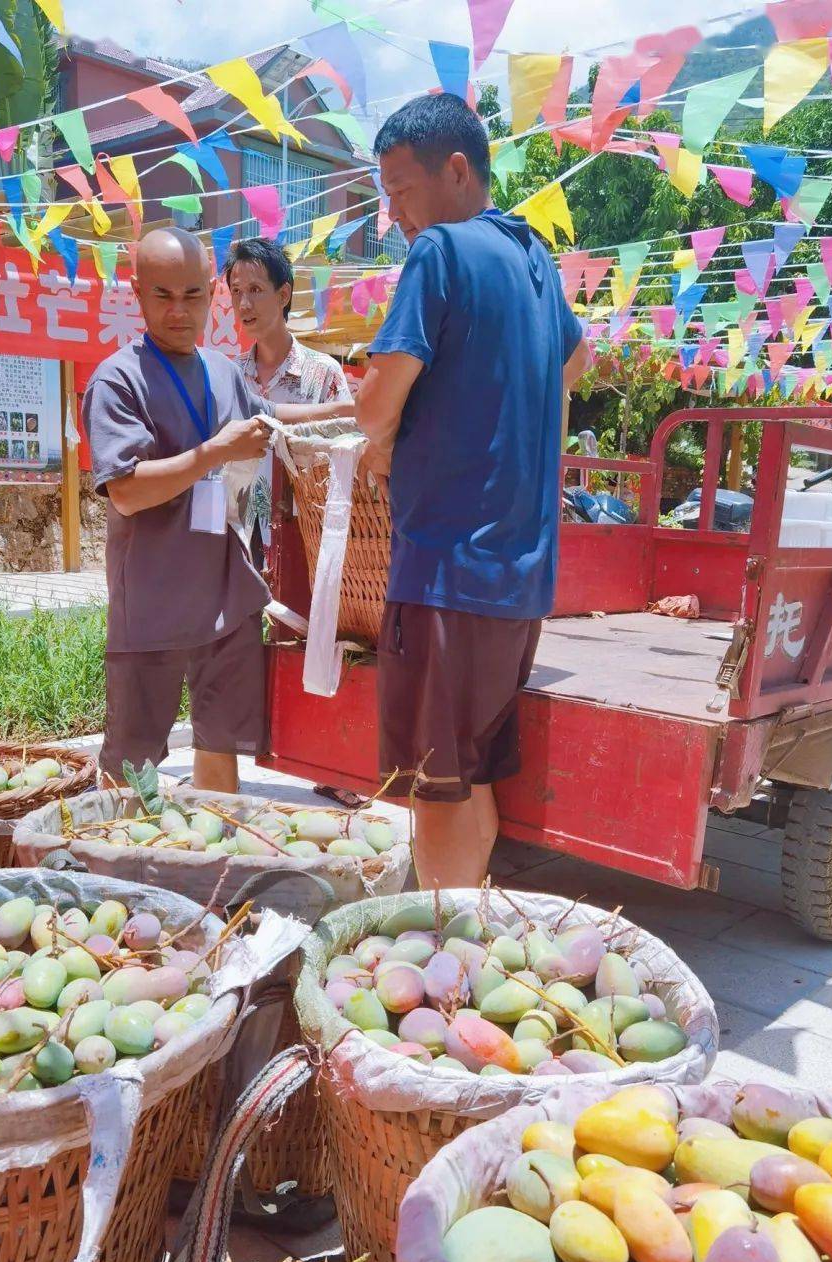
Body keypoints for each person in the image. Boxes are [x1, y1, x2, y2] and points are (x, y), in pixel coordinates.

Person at [355, 94, 592, 889]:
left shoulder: (443, 255)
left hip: (447, 572)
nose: (396, 214)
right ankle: (471, 933)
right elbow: (575, 363)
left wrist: (388, 444)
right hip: (518, 582)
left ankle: (443, 957)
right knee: (472, 774)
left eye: (401, 190)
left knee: (436, 786)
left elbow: (376, 402)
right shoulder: (533, 259)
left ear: (456, 171)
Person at [83, 227, 352, 793]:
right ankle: (113, 874)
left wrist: (359, 406)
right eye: (163, 296)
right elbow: (127, 491)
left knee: (219, 747)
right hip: (152, 604)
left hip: (227, 600)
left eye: (192, 295)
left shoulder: (223, 370)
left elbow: (271, 414)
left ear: (211, 293)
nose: (179, 311)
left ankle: (212, 874)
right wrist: (214, 452)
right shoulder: (117, 379)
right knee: (132, 766)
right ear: (137, 292)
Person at [225, 237, 352, 557]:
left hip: (307, 538)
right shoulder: (229, 376)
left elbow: (347, 458)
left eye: (254, 290)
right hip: (236, 538)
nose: (243, 305)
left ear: (284, 294)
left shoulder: (324, 375)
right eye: (236, 291)